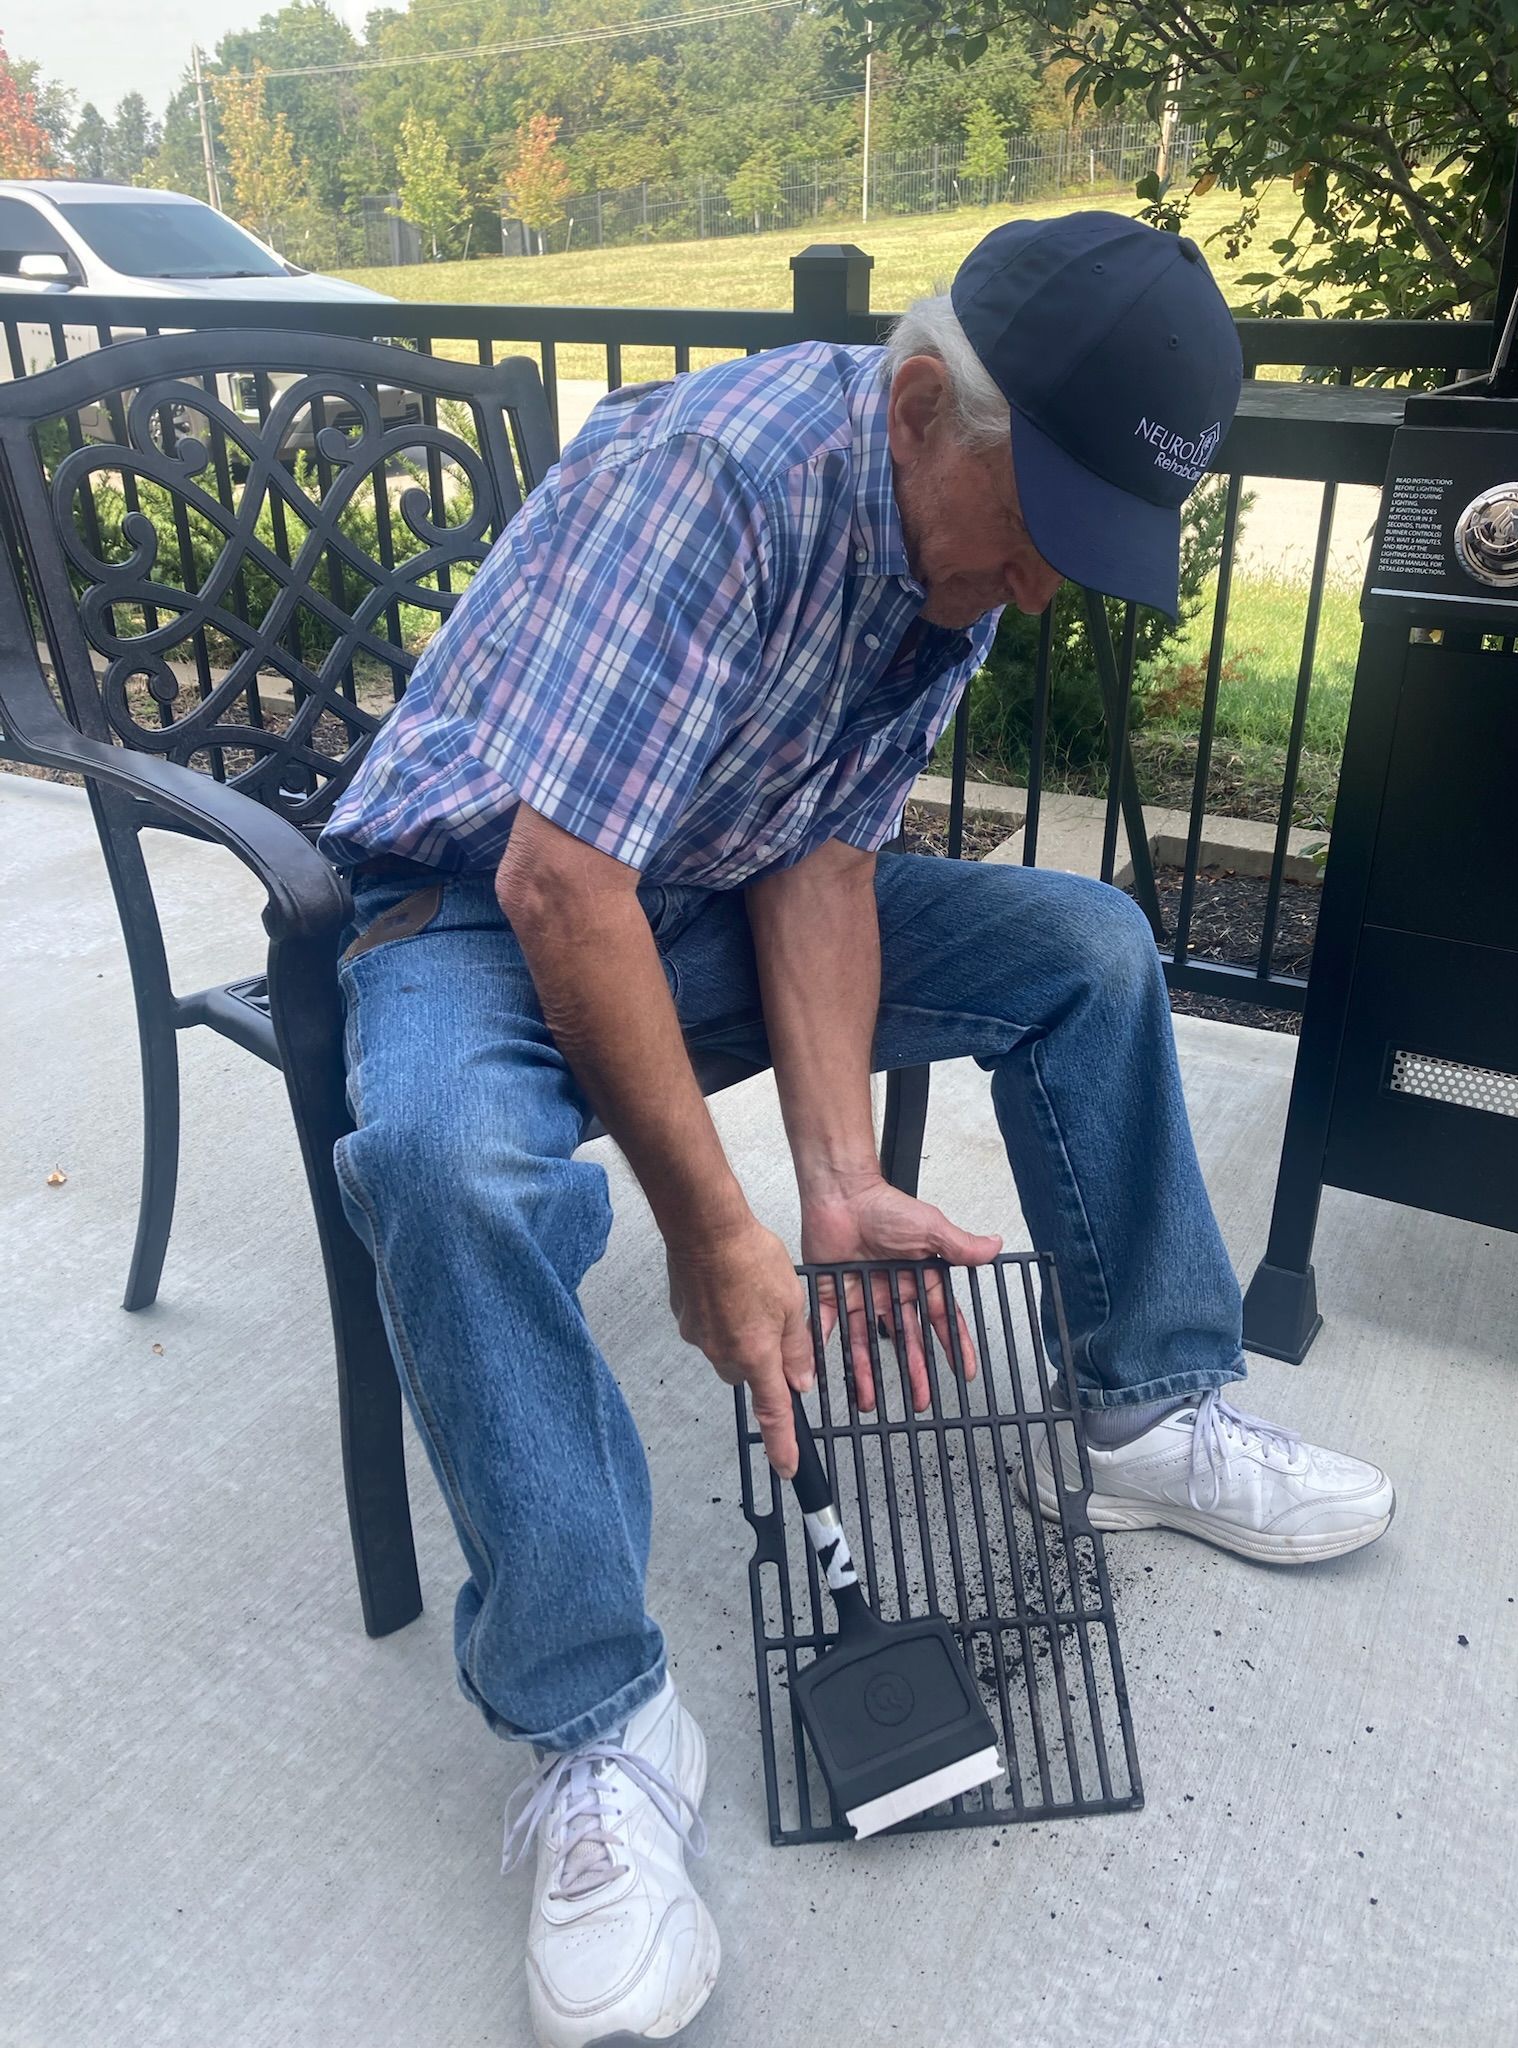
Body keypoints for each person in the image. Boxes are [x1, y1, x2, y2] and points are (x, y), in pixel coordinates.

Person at [317, 212, 1395, 2048]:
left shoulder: (945, 547)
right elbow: (562, 885)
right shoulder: (714, 487)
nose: (1041, 592)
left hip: (705, 890)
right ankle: (600, 1730)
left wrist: (832, 1181)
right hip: (483, 908)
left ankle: (1148, 1404)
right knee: (442, 1159)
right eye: (1040, 532)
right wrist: (714, 1228)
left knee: (1089, 947)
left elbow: (822, 857)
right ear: (915, 409)